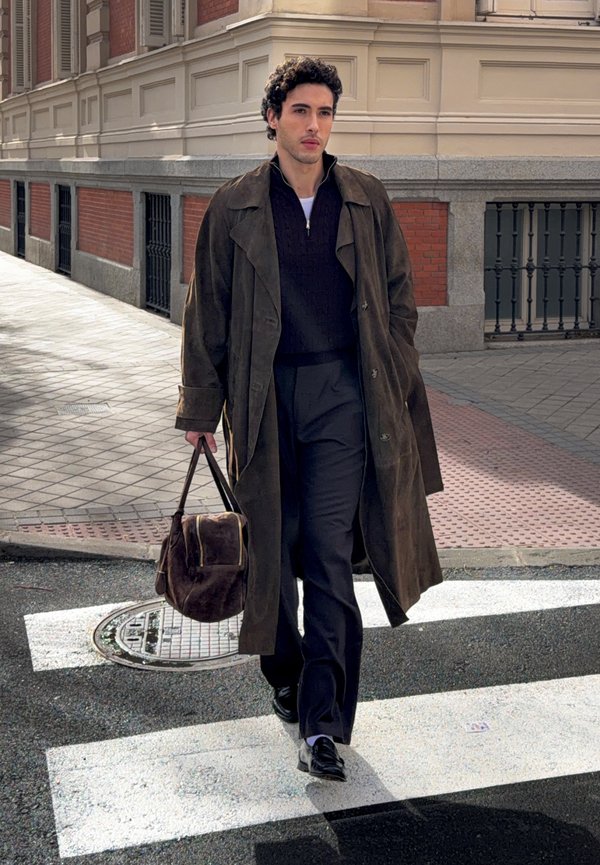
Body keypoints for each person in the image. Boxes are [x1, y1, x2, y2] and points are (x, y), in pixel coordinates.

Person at [176, 56, 443, 782]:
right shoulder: (234, 206)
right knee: (271, 552)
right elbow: (207, 313)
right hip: (261, 399)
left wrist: (392, 367)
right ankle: (286, 673)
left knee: (327, 554)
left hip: (342, 398)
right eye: (300, 111)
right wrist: (200, 406)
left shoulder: (364, 198)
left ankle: (324, 722)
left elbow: (399, 296)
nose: (313, 125)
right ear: (273, 118)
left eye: (324, 112)